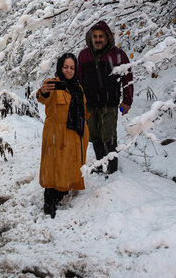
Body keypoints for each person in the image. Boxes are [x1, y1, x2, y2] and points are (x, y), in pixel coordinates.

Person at [36, 53, 89, 218]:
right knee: (54, 166)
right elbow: (42, 97)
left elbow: (84, 109)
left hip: (74, 134)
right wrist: (43, 91)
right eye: (65, 67)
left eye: (72, 67)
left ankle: (63, 191)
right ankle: (49, 199)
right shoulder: (52, 84)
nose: (68, 71)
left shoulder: (78, 88)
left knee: (68, 164)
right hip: (56, 134)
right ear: (60, 67)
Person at [77, 20, 133, 175]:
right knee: (94, 136)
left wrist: (127, 101)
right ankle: (101, 165)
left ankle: (112, 169)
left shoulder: (118, 55)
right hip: (90, 104)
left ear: (108, 37)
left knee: (108, 136)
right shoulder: (84, 55)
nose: (98, 39)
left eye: (101, 36)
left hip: (110, 103)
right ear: (91, 38)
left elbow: (127, 79)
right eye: (95, 36)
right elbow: (79, 80)